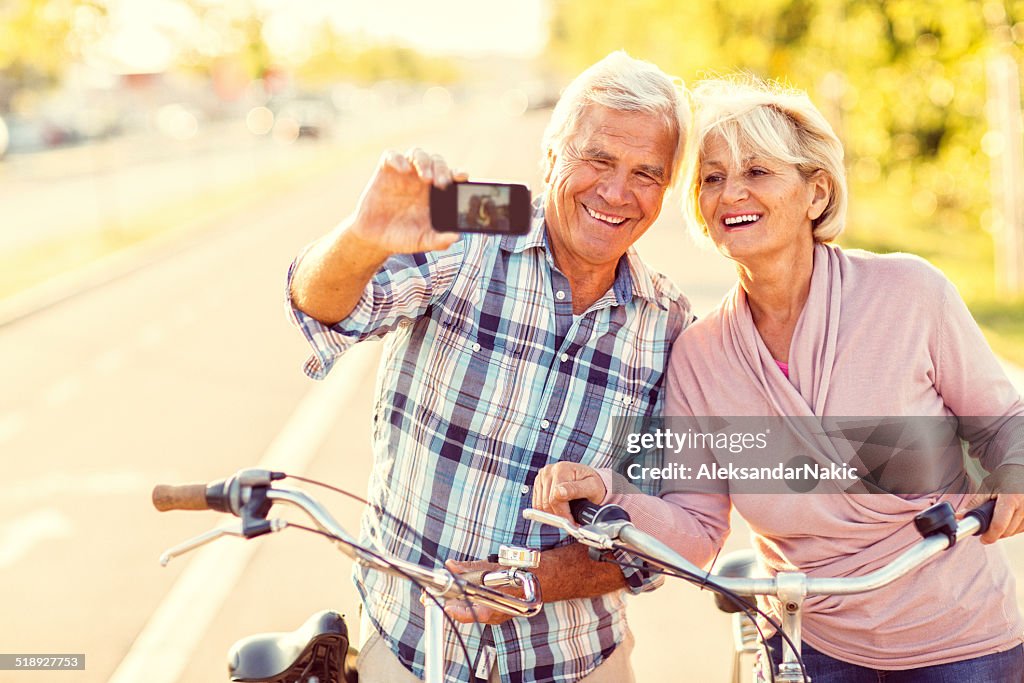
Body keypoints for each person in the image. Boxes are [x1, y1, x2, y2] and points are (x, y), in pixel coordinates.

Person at [535, 76, 1024, 681]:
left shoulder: (911, 293)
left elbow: (1005, 424)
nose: (730, 193)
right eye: (712, 178)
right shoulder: (698, 353)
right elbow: (697, 532)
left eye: (757, 172)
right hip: (808, 647)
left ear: (816, 193)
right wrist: (611, 492)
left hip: (961, 642)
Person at [286, 51, 693, 683]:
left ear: (666, 191)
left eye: (646, 173)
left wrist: (536, 580)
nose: (617, 192)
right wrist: (363, 237)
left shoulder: (667, 318)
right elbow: (323, 309)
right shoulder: (478, 219)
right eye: (598, 159)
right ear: (552, 155)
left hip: (579, 662)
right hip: (413, 651)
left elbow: (669, 529)